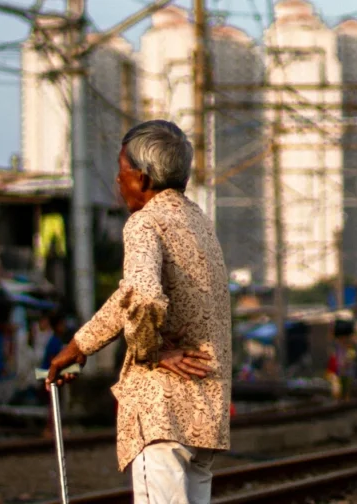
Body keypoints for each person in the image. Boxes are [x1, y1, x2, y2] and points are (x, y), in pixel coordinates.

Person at [47, 121, 230, 504]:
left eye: (121, 171)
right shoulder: (198, 222)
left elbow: (145, 297)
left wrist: (150, 352)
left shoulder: (144, 223)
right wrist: (81, 345)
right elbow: (129, 296)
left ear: (143, 179)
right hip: (204, 411)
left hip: (160, 412)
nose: (118, 181)